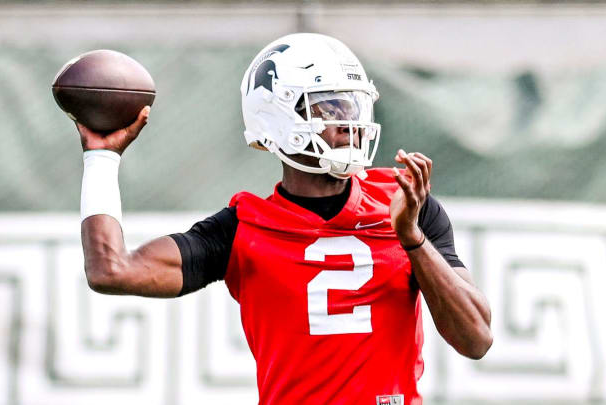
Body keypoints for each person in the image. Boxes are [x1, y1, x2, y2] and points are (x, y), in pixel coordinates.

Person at [76, 33, 492, 405]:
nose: (351, 122)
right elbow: (111, 270)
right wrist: (101, 158)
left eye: (354, 103)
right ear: (276, 117)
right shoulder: (242, 228)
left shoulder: (407, 204)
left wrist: (412, 238)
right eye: (330, 106)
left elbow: (475, 339)